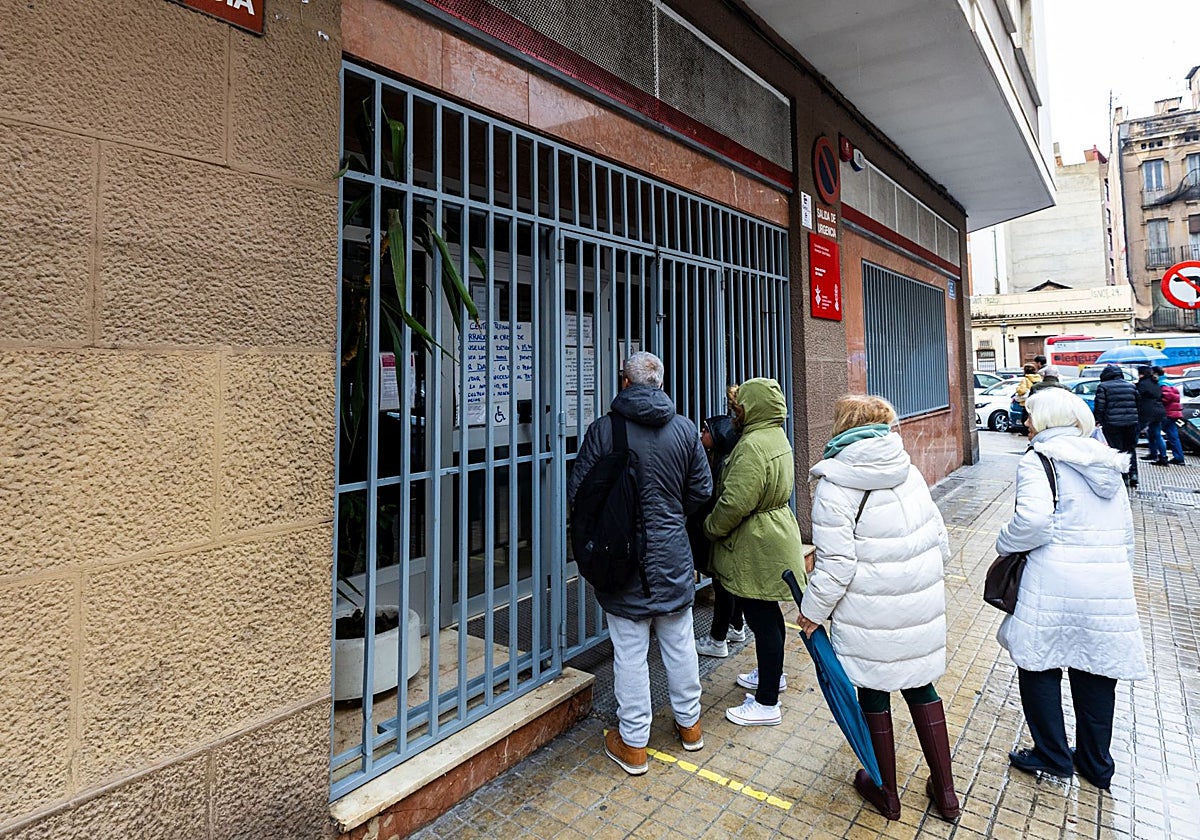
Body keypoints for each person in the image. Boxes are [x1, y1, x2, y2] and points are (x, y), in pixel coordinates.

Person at [798, 395, 958, 822]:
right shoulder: (908, 470)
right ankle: (946, 795)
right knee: (922, 687)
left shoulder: (836, 483)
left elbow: (837, 565)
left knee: (872, 690)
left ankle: (887, 794)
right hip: (919, 603)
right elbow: (941, 543)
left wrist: (811, 613)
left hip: (870, 611)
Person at [567, 351, 712, 775]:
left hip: (620, 559)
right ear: (661, 384)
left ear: (624, 381)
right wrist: (670, 516)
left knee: (629, 653)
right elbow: (701, 489)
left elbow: (581, 494)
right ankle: (691, 726)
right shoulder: (685, 430)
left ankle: (633, 744)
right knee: (680, 641)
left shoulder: (603, 430)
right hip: (671, 556)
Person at [995, 388, 1147, 791]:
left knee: (1039, 664)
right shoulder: (1107, 461)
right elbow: (1127, 533)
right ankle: (1096, 765)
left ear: (1044, 420)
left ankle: (1052, 754)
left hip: (1053, 581)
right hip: (1106, 582)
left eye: (1029, 416)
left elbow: (1033, 521)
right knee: (1096, 671)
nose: (1025, 423)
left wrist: (1003, 542)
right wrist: (1118, 575)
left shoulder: (1038, 460)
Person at [704, 378, 806, 726]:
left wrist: (710, 528)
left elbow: (735, 502)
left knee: (761, 619)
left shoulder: (751, 445)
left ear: (752, 408)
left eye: (738, 407)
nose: (734, 413)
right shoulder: (775, 435)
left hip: (756, 543)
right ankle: (771, 676)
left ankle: (766, 703)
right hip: (774, 534)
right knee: (769, 615)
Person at [688, 412, 747, 658]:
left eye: (706, 430)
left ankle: (717, 639)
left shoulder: (723, 464)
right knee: (727, 585)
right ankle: (736, 626)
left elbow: (719, 501)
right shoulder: (725, 458)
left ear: (719, 436)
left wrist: (710, 527)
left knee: (723, 586)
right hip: (726, 534)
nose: (702, 434)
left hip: (719, 533)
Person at [1093, 364, 1140, 488]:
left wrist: (1097, 420)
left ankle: (1123, 476)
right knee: (1130, 448)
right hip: (1131, 423)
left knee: (1117, 449)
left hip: (1112, 423)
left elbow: (1100, 406)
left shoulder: (1103, 387)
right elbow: (1139, 403)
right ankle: (1134, 474)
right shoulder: (1131, 386)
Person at [1154, 366, 1186, 465]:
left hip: (1166, 413)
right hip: (1174, 414)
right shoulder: (1170, 383)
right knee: (1173, 436)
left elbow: (1166, 398)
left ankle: (1162, 456)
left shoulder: (1162, 385)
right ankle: (1179, 457)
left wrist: (1157, 401)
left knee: (1156, 434)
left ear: (1156, 374)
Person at [1136, 365, 1167, 465]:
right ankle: (1163, 457)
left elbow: (1137, 397)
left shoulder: (1143, 384)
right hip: (1159, 411)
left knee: (1135, 431)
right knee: (1156, 434)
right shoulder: (1155, 383)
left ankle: (1130, 453)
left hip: (1147, 412)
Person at [1013, 363, 1043, 428]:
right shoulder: (1040, 379)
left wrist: (1017, 388)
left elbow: (1022, 390)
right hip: (1038, 403)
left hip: (1027, 403)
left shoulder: (1025, 379)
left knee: (1026, 420)